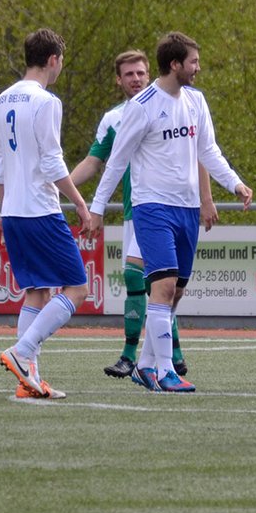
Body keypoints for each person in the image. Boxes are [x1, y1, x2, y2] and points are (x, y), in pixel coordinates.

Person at [88, 31, 252, 392]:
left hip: (187, 209)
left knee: (175, 293)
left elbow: (208, 151)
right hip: (152, 207)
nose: (198, 67)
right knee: (161, 288)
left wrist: (235, 183)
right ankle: (165, 372)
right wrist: (97, 208)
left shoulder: (196, 101)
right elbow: (116, 162)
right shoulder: (142, 106)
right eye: (193, 61)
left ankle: (145, 365)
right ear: (175, 64)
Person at [70, 50, 217, 379]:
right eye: (129, 75)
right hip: (137, 212)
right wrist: (63, 186)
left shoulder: (177, 103)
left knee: (167, 284)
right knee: (149, 281)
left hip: (174, 207)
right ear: (118, 80)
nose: (135, 79)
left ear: (151, 72)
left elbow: (200, 152)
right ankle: (142, 357)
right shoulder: (115, 117)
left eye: (140, 73)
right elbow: (97, 162)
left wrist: (207, 198)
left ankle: (161, 357)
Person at [0, 28, 91, 400]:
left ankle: (27, 379)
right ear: (53, 60)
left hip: (15, 211)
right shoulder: (47, 101)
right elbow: (52, 162)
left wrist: (4, 210)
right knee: (77, 288)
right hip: (40, 209)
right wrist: (80, 202)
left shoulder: (2, 100)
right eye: (61, 60)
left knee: (37, 291)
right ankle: (22, 351)